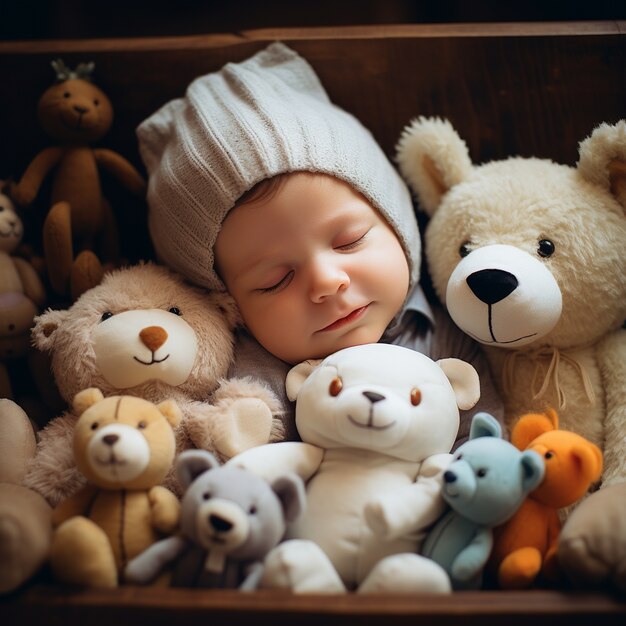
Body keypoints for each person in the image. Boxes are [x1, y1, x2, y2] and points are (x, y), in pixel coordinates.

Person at [137, 42, 503, 444]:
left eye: (350, 241)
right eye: (275, 280)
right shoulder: (248, 380)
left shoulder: (449, 340)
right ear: (229, 304)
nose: (328, 281)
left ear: (398, 224)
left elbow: (486, 449)